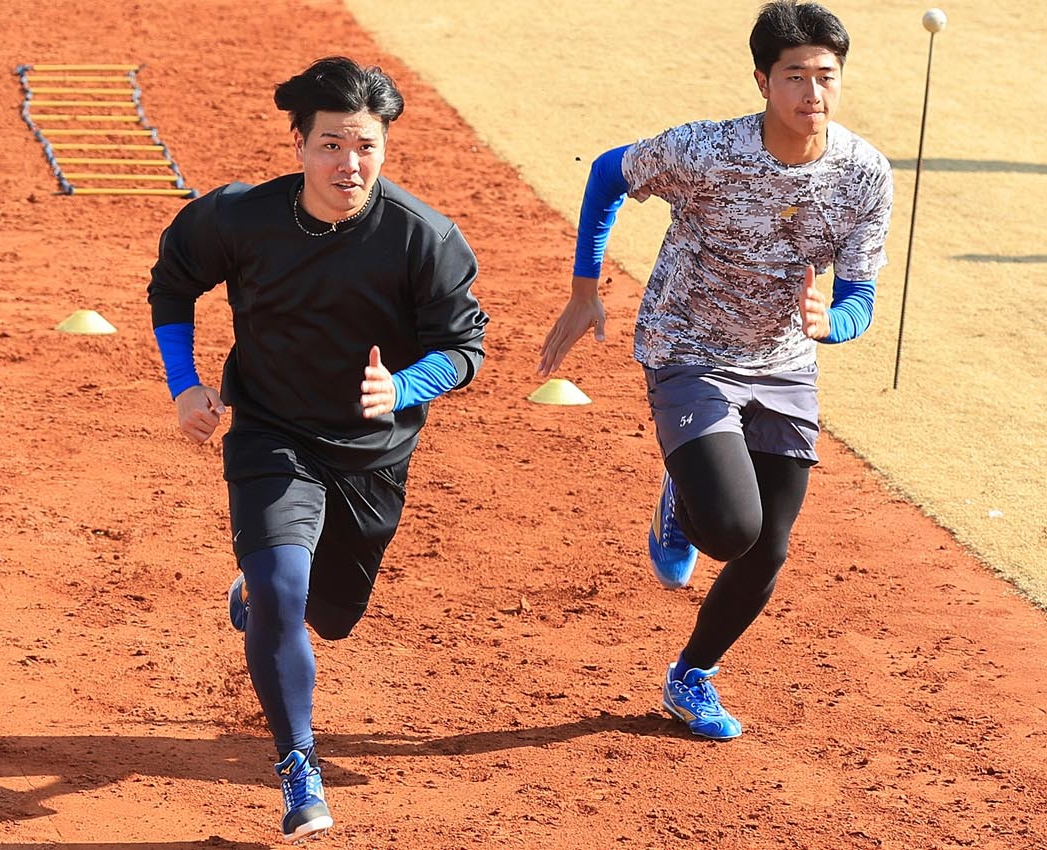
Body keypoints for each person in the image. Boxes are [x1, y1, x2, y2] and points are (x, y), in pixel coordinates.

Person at [148, 56, 487, 843]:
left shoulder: (423, 236)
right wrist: (185, 385)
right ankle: (299, 765)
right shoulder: (241, 217)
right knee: (281, 589)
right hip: (271, 432)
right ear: (298, 144)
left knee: (329, 616)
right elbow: (173, 282)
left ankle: (267, 595)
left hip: (373, 454)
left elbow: (464, 347)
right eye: (331, 145)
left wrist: (403, 387)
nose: (350, 164)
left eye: (366, 146)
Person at [538, 0, 892, 740]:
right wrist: (583, 289)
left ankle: (691, 676)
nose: (813, 93)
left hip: (784, 364)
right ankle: (684, 493)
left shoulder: (863, 174)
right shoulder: (706, 150)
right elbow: (608, 173)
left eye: (826, 76)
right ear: (763, 80)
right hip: (689, 348)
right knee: (730, 531)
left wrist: (833, 323)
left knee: (769, 548)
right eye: (795, 76)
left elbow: (858, 295)